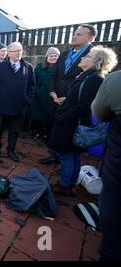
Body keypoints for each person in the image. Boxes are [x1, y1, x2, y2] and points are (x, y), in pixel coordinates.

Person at [49, 46, 116, 197]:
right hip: (72, 121)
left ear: (97, 61)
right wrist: (68, 99)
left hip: (72, 124)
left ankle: (65, 185)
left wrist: (61, 118)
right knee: (73, 154)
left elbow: (85, 106)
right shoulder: (88, 75)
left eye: (88, 56)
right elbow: (81, 97)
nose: (82, 58)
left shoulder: (94, 78)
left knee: (67, 155)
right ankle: (71, 184)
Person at [41, 24, 97, 165]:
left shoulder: (93, 56)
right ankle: (54, 155)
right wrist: (52, 92)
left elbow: (90, 81)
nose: (74, 36)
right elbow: (54, 76)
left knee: (68, 133)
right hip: (55, 98)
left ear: (90, 37)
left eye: (79, 34)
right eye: (74, 34)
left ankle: (65, 162)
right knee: (54, 127)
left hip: (73, 102)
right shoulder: (65, 54)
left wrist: (68, 97)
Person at [91, 49, 120, 260]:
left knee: (113, 199)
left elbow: (99, 112)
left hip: (118, 161)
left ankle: (109, 250)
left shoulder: (114, 81)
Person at [0, 42, 34, 162]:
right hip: (1, 105)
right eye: (16, 51)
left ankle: (11, 150)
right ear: (9, 53)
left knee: (14, 131)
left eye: (20, 51)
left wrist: (26, 99)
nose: (19, 53)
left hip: (18, 106)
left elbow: (31, 86)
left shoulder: (28, 67)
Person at [28, 47, 60, 140]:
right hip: (38, 95)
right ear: (47, 57)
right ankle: (35, 131)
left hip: (51, 96)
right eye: (51, 55)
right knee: (36, 115)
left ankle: (47, 133)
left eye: (56, 56)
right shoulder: (39, 67)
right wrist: (34, 91)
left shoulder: (60, 68)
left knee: (49, 116)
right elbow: (34, 80)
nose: (53, 57)